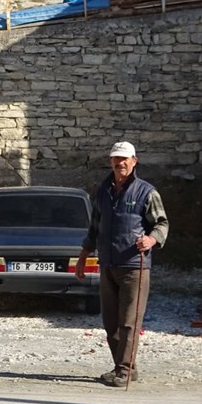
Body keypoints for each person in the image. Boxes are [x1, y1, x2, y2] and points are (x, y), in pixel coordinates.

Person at [75, 141, 169, 387]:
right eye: (116, 159)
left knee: (129, 321)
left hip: (134, 267)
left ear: (134, 161)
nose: (121, 163)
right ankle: (125, 366)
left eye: (125, 159)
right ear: (111, 162)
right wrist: (83, 258)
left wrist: (151, 239)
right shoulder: (103, 191)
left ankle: (124, 371)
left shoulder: (146, 192)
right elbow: (94, 228)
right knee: (111, 322)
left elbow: (162, 224)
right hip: (107, 265)